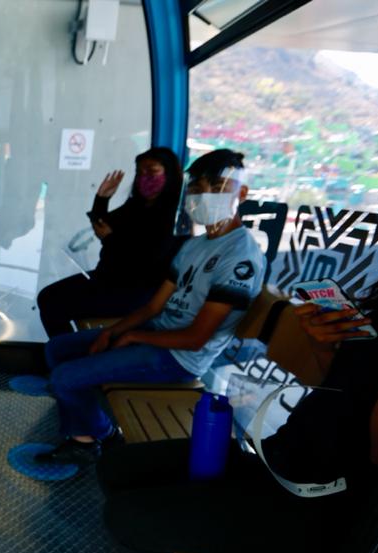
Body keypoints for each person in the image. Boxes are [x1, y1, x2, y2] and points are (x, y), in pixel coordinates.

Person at [99, 278, 378, 553]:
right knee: (116, 469)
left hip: (322, 511)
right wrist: (325, 346)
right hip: (284, 462)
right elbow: (342, 387)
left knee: (124, 519)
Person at [41, 149, 265, 464]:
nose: (206, 196)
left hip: (181, 358)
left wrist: (132, 338)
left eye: (218, 188)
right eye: (199, 188)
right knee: (57, 350)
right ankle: (89, 426)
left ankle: (98, 437)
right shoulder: (195, 245)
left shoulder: (240, 257)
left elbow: (197, 338)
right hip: (158, 330)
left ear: (241, 193)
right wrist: (113, 333)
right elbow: (153, 306)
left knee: (65, 377)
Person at [36, 147, 184, 340]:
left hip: (135, 290)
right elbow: (104, 225)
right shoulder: (137, 205)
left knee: (53, 303)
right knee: (47, 297)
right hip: (109, 279)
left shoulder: (174, 216)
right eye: (140, 173)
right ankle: (68, 352)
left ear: (169, 174)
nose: (144, 177)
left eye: (152, 171)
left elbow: (146, 259)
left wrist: (110, 239)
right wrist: (102, 199)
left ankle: (70, 354)